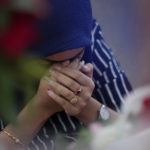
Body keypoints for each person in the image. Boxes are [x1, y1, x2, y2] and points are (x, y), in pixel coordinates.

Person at [0, 0, 132, 150]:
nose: (67, 70)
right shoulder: (7, 62)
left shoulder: (91, 46)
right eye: (49, 64)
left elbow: (140, 132)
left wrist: (85, 106)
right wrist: (40, 108)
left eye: (76, 58)